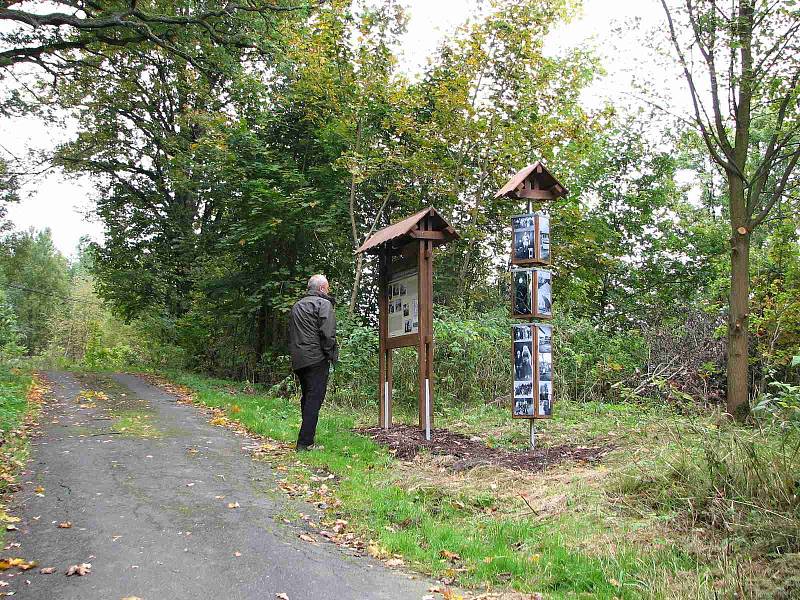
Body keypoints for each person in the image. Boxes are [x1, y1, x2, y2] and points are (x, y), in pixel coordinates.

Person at [288, 274, 339, 451]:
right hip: (316, 358)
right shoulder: (324, 304)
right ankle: (305, 442)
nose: (329, 290)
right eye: (328, 287)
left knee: (307, 398)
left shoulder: (297, 306)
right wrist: (330, 354)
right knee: (314, 399)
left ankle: (307, 438)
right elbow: (327, 333)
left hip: (299, 359)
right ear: (322, 289)